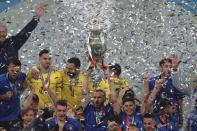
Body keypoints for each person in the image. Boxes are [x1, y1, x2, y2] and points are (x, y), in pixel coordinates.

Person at [0, 4, 47, 74]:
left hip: (13, 81)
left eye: (3, 32)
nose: (1, 34)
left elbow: (25, 31)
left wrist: (37, 17)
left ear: (6, 33)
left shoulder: (13, 42)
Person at [148, 57, 184, 127]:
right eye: (166, 66)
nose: (168, 69)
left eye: (170, 67)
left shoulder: (176, 82)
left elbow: (180, 101)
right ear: (161, 68)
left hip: (173, 116)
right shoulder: (152, 81)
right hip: (157, 115)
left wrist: (181, 118)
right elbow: (149, 100)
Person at [0, 59, 26, 130]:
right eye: (12, 70)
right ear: (8, 68)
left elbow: (33, 72)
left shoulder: (21, 76)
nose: (15, 73)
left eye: (17, 71)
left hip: (16, 118)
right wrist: (3, 97)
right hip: (2, 119)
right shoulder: (1, 80)